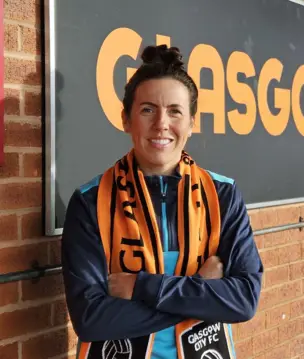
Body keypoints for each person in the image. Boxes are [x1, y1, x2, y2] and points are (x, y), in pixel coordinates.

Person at [61, 44, 263, 359]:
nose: (161, 124)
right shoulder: (91, 201)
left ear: (192, 123)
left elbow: (244, 300)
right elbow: (91, 319)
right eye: (147, 109)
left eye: (175, 111)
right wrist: (199, 291)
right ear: (126, 119)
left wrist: (141, 288)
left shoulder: (222, 195)